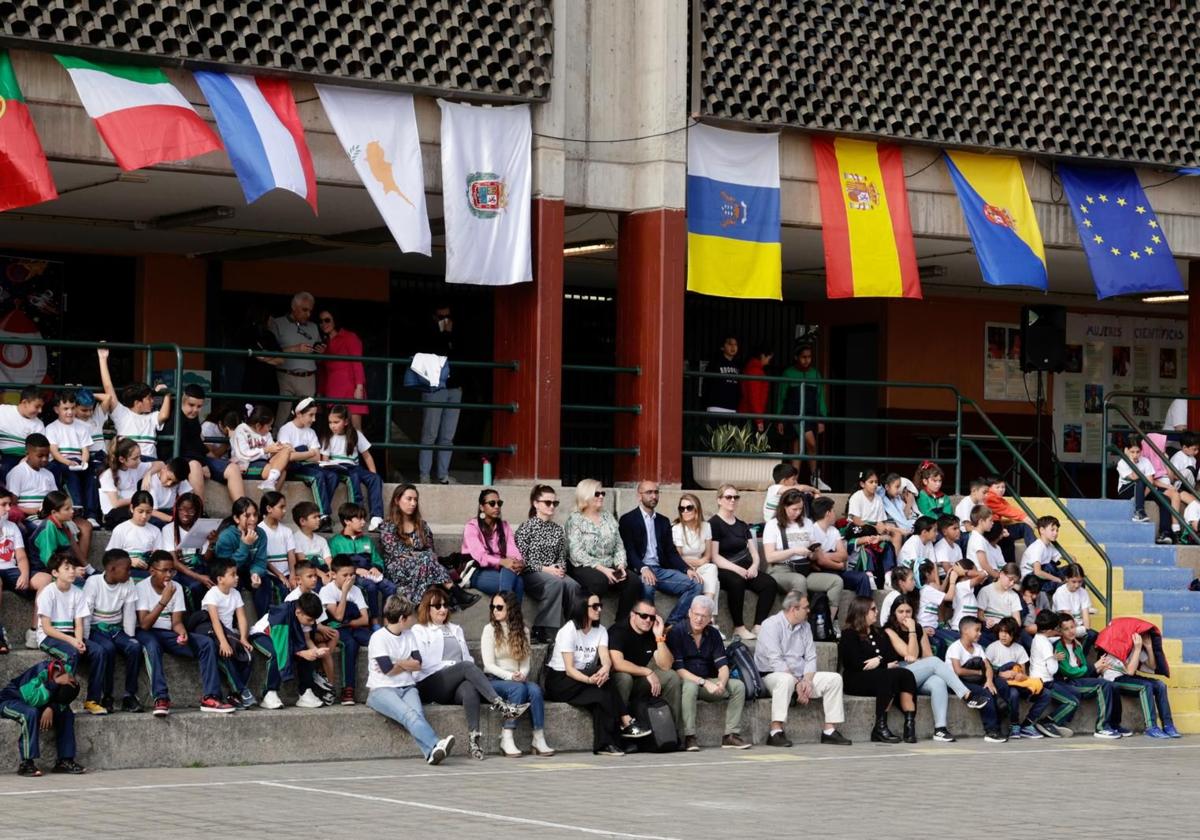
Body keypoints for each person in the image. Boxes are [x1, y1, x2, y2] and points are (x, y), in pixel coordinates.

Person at [411, 588, 530, 760]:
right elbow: (423, 663)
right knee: (465, 667)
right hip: (430, 682)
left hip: (454, 683)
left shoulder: (456, 629)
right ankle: (501, 706)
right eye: (437, 606)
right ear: (426, 608)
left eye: (446, 605)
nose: (443, 609)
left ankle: (474, 741)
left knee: (469, 687)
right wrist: (455, 666)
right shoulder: (419, 630)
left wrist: (466, 672)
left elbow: (466, 658)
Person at [544, 595, 650, 756]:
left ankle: (605, 745)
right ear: (582, 607)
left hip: (584, 678)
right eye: (594, 606)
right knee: (603, 683)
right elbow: (569, 670)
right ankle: (626, 721)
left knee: (602, 696)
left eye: (600, 605)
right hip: (561, 681)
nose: (599, 609)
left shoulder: (600, 631)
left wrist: (605, 669)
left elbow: (606, 659)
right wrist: (590, 680)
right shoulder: (568, 630)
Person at [135, 550, 233, 715]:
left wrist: (182, 633)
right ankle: (161, 697)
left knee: (206, 643)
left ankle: (211, 697)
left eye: (171, 570)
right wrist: (164, 600)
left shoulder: (177, 587)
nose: (169, 574)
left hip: (169, 633)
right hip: (148, 632)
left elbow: (177, 622)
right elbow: (144, 624)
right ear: (152, 571)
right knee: (152, 646)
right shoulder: (141, 587)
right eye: (164, 570)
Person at [883, 598, 994, 742]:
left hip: (918, 672)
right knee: (935, 662)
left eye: (908, 611)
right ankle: (967, 695)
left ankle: (940, 729)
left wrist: (916, 631)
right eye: (901, 612)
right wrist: (912, 631)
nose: (905, 615)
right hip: (899, 672)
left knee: (938, 681)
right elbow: (910, 654)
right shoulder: (889, 630)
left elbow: (927, 656)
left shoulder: (919, 628)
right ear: (894, 613)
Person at [366, 594, 457, 766]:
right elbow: (387, 671)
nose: (414, 619)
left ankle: (431, 754)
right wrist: (404, 664)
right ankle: (436, 743)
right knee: (410, 716)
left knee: (417, 715)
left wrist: (397, 662)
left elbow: (418, 664)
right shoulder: (378, 638)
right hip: (381, 690)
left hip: (407, 686)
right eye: (411, 616)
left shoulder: (409, 635)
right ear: (402, 618)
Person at [754, 591, 850, 747]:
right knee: (785, 680)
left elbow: (811, 657)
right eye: (805, 607)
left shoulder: (805, 626)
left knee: (834, 679)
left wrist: (807, 680)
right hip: (772, 676)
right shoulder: (770, 625)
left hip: (800, 677)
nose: (809, 610)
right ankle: (775, 731)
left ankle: (829, 731)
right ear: (793, 609)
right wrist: (798, 683)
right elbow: (776, 661)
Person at [668, 595, 750, 750]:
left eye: (703, 616)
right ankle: (689, 736)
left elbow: (722, 666)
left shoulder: (713, 634)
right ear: (690, 613)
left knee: (738, 686)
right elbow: (679, 670)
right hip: (687, 682)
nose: (699, 619)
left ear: (710, 618)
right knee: (691, 686)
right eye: (696, 614)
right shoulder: (677, 632)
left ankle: (730, 735)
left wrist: (721, 683)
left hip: (708, 681)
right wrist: (704, 683)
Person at [480, 590, 554, 757]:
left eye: (499, 607)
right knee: (518, 690)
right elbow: (488, 665)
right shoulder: (489, 629)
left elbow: (525, 664)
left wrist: (521, 674)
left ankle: (538, 737)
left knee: (535, 690)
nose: (495, 611)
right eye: (493, 607)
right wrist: (510, 676)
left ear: (511, 609)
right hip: (495, 679)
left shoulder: (523, 631)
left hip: (516, 679)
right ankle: (506, 736)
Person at [618, 481, 702, 626]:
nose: (654, 496)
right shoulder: (628, 519)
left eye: (656, 492)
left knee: (696, 584)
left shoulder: (663, 521)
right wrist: (643, 568)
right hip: (639, 570)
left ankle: (670, 624)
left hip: (660, 570)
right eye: (649, 492)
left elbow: (671, 552)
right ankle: (648, 627)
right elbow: (629, 551)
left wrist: (686, 569)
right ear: (639, 495)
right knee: (648, 588)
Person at [837, 596, 918, 744]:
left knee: (906, 674)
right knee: (887, 676)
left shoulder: (878, 632)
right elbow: (855, 663)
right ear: (862, 612)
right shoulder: (849, 634)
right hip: (856, 678)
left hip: (876, 675)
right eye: (873, 609)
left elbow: (890, 656)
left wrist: (879, 660)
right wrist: (882, 663)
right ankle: (880, 728)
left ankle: (909, 724)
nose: (877, 611)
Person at [761, 488, 844, 624]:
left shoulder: (807, 523)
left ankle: (828, 622)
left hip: (804, 568)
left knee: (836, 581)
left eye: (800, 509)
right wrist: (794, 551)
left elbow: (813, 550)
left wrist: (813, 552)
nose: (798, 512)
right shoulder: (773, 525)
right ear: (784, 507)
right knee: (799, 581)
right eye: (794, 509)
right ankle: (803, 624)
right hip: (780, 570)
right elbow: (770, 557)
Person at [607, 598, 683, 742]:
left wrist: (659, 637)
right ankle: (618, 735)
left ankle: (672, 733)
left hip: (640, 683)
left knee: (671, 677)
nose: (648, 620)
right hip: (618, 684)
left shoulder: (652, 632)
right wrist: (647, 671)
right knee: (624, 677)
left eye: (652, 617)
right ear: (633, 615)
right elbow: (617, 664)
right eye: (643, 616)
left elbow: (666, 665)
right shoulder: (618, 630)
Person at [513, 483, 579, 643]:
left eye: (554, 503)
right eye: (547, 502)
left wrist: (560, 569)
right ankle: (543, 629)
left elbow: (562, 556)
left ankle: (573, 628)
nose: (552, 506)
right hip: (531, 573)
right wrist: (546, 569)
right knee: (555, 583)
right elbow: (521, 560)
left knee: (573, 585)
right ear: (536, 504)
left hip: (554, 573)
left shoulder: (557, 529)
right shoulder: (525, 528)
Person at [81, 548, 143, 715]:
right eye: (127, 569)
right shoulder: (93, 582)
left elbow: (129, 614)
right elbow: (86, 614)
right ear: (112, 569)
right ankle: (106, 695)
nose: (130, 572)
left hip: (116, 629)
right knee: (107, 649)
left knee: (135, 647)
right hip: (96, 629)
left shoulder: (128, 583)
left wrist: (130, 639)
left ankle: (129, 696)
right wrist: (84, 640)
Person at [709, 484, 776, 638]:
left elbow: (754, 552)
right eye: (728, 497)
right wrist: (737, 569)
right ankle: (738, 627)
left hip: (745, 566)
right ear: (719, 500)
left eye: (735, 497)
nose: (732, 500)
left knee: (769, 584)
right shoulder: (714, 523)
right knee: (737, 582)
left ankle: (759, 625)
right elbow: (715, 556)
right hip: (724, 567)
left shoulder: (742, 525)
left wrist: (754, 566)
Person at [379, 484, 461, 606]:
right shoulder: (388, 526)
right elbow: (397, 553)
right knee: (426, 559)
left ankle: (420, 604)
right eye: (409, 499)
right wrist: (420, 554)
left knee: (427, 560)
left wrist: (416, 554)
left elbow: (430, 551)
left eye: (415, 500)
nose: (413, 503)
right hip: (397, 569)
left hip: (424, 567)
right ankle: (455, 591)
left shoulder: (422, 526)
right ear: (397, 500)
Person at [0, 658, 83, 776]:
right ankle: (26, 763)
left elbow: (65, 698)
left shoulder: (67, 673)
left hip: (40, 701)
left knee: (66, 713)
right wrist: (55, 683)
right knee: (30, 713)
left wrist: (51, 708)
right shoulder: (39, 672)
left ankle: (64, 760)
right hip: (12, 700)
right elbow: (32, 699)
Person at [566, 481, 636, 619]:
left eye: (602, 493)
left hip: (609, 564)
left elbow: (619, 545)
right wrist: (603, 570)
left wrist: (620, 565)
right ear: (585, 496)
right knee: (599, 582)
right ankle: (588, 622)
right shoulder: (575, 519)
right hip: (584, 565)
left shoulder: (608, 516)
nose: (601, 496)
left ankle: (621, 623)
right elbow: (576, 553)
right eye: (596, 494)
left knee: (633, 582)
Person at [1096, 624, 1179, 738]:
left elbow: (1152, 666)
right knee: (1145, 686)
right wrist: (1138, 648)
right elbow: (1130, 671)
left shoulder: (1134, 647)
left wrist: (1149, 647)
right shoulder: (1113, 648)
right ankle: (1151, 727)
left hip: (1128, 678)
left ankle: (1168, 725)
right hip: (1114, 679)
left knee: (1160, 685)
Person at [247, 591, 328, 710]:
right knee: (275, 653)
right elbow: (280, 644)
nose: (312, 623)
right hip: (263, 635)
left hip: (286, 639)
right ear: (298, 612)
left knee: (309, 655)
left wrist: (315, 651)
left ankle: (305, 693)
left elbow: (306, 639)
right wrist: (301, 653)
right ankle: (269, 693)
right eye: (310, 620)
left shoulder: (305, 615)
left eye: (313, 621)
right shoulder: (282, 614)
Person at [197, 558, 258, 710]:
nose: (237, 577)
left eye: (236, 574)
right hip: (212, 632)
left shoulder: (235, 594)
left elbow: (242, 617)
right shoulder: (212, 594)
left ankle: (234, 695)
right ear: (220, 579)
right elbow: (215, 621)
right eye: (232, 574)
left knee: (249, 655)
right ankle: (242, 691)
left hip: (230, 635)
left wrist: (243, 638)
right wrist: (223, 642)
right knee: (227, 655)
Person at [96, 348, 171, 463]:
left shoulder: (152, 417)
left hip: (149, 462)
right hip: (128, 461)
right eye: (149, 399)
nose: (153, 401)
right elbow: (108, 386)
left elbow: (164, 415)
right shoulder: (121, 413)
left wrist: (167, 394)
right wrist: (102, 359)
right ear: (137, 402)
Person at [1053, 614, 1121, 739]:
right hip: (1068, 683)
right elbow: (1069, 672)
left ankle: (1114, 724)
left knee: (1113, 685)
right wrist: (1094, 667)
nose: (1070, 631)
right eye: (1066, 629)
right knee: (1103, 685)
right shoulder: (1058, 647)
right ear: (1060, 631)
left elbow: (1084, 667)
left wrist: (1098, 669)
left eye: (1072, 627)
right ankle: (1101, 728)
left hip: (1080, 681)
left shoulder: (1077, 645)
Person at [942, 616, 1008, 743]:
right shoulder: (955, 647)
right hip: (958, 682)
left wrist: (989, 680)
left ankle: (1003, 722)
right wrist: (978, 672)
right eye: (977, 630)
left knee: (1002, 685)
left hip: (976, 679)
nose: (980, 633)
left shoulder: (977, 647)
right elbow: (958, 671)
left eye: (980, 630)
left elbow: (988, 666)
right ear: (965, 630)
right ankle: (991, 731)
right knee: (985, 693)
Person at [0, 488, 50, 651]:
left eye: (9, 504)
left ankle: (35, 631)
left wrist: (24, 574)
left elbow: (21, 556)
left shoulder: (11, 527)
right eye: (4, 505)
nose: (9, 509)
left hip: (11, 570)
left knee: (46, 579)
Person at [417, 302, 462, 485]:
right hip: (434, 386)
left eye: (448, 317)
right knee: (430, 433)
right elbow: (431, 350)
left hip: (454, 387)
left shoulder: (456, 332)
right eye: (441, 317)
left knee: (447, 436)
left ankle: (443, 475)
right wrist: (442, 332)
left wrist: (450, 333)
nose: (445, 320)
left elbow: (460, 353)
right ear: (434, 318)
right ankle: (425, 475)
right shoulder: (427, 332)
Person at [277, 398, 340, 526]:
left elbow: (317, 457)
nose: (314, 419)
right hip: (294, 468)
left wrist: (301, 453)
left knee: (333, 476)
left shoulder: (310, 431)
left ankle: (323, 513)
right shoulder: (286, 429)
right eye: (311, 415)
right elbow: (289, 457)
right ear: (299, 413)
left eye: (314, 415)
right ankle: (323, 515)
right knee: (318, 476)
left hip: (309, 466)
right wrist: (309, 452)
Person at [328, 501, 396, 621]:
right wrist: (355, 570)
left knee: (391, 587)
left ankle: (387, 620)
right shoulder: (335, 542)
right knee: (370, 587)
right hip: (351, 576)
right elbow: (334, 565)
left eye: (364, 519)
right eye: (359, 519)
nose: (363, 522)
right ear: (347, 521)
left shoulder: (367, 540)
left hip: (370, 574)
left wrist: (376, 568)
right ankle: (374, 620)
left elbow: (378, 560)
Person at [774, 343, 829, 490]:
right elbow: (781, 397)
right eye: (804, 357)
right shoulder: (788, 373)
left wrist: (822, 418)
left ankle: (809, 478)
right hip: (794, 414)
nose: (807, 360)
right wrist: (780, 418)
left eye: (809, 357)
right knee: (802, 446)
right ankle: (802, 479)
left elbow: (821, 397)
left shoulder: (815, 374)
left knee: (803, 445)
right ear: (796, 357)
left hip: (810, 415)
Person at [984, 615, 1047, 739]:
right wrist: (1001, 674)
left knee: (1046, 694)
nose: (1003, 635)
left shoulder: (1019, 649)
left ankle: (1027, 724)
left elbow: (1023, 673)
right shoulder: (993, 647)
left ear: (1014, 635)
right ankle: (1014, 725)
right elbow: (987, 668)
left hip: (1018, 683)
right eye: (1001, 631)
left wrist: (1019, 676)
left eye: (1007, 633)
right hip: (1003, 684)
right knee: (1013, 694)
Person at [322, 404, 384, 530]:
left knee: (375, 479)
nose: (332, 425)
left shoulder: (356, 434)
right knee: (354, 478)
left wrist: (373, 473)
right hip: (337, 468)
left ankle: (376, 518)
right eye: (330, 422)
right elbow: (325, 460)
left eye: (336, 422)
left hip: (355, 467)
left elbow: (367, 456)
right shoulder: (328, 437)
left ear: (345, 422)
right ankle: (358, 515)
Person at [321, 555, 373, 705]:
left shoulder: (356, 590)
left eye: (352, 575)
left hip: (352, 626)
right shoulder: (327, 591)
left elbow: (365, 619)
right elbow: (337, 616)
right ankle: (347, 689)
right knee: (350, 644)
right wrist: (344, 593)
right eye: (345, 575)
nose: (349, 578)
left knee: (375, 640)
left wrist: (349, 623)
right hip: (337, 629)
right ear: (334, 575)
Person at [44, 391, 99, 527]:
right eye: (65, 409)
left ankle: (91, 514)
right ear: (57, 410)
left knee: (92, 475)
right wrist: (67, 462)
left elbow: (85, 450)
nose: (70, 412)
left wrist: (85, 462)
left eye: (72, 408)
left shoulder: (83, 427)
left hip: (78, 460)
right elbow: (54, 451)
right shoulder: (52, 427)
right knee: (70, 472)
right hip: (61, 461)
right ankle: (76, 507)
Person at [269, 291, 321, 431]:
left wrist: (320, 350)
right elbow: (270, 351)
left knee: (308, 415)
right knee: (282, 416)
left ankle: (305, 448)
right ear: (294, 307)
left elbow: (318, 350)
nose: (308, 314)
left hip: (308, 377)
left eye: (310, 310)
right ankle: (276, 447)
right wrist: (295, 349)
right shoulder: (277, 323)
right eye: (305, 310)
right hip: (285, 375)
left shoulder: (314, 327)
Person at [463, 488, 526, 603]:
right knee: (516, 582)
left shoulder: (504, 526)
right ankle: (510, 619)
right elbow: (480, 556)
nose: (497, 506)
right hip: (477, 571)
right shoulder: (472, 527)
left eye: (499, 503)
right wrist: (502, 561)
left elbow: (512, 549)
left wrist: (518, 562)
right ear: (482, 507)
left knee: (516, 578)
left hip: (500, 570)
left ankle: (508, 619)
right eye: (492, 503)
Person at [213, 496, 272, 618]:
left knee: (264, 582)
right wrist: (245, 545)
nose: (253, 519)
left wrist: (256, 573)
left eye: (255, 515)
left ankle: (265, 622)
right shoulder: (226, 537)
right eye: (247, 516)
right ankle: (232, 624)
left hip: (249, 570)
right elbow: (226, 567)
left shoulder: (261, 534)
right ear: (236, 518)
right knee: (233, 583)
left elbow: (260, 561)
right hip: (231, 571)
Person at [1026, 610, 1079, 738]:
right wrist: (1055, 658)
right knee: (1072, 702)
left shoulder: (1038, 638)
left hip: (1039, 680)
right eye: (1055, 628)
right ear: (1049, 630)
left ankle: (1047, 723)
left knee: (1074, 692)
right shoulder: (1046, 645)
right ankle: (1047, 722)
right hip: (1045, 683)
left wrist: (1071, 639)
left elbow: (1053, 639)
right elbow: (1053, 670)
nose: (1057, 630)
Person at [1116, 437, 1179, 544]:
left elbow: (1150, 481)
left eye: (1138, 452)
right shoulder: (1122, 463)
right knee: (1140, 480)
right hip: (1126, 490)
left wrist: (1142, 496)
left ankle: (1165, 533)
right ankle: (1139, 512)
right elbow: (1134, 477)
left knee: (1165, 500)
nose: (1135, 455)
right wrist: (1131, 461)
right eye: (1132, 452)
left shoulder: (1145, 461)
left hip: (1144, 490)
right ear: (1126, 450)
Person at [810, 495, 872, 599]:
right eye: (833, 511)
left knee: (863, 578)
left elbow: (843, 556)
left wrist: (823, 555)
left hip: (837, 572)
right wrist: (838, 565)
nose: (835, 514)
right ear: (828, 513)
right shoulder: (812, 530)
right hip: (822, 573)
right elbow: (820, 562)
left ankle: (863, 613)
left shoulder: (833, 531)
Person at [160, 493, 216, 608]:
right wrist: (199, 577)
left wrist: (211, 543)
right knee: (195, 587)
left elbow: (206, 558)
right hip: (180, 572)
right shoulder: (169, 530)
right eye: (182, 510)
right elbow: (174, 562)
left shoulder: (201, 528)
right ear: (176, 510)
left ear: (197, 512)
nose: (185, 514)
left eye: (191, 511)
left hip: (199, 568)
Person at [316, 309, 368, 431]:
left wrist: (359, 387)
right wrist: (319, 394)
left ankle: (360, 451)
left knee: (355, 431)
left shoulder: (349, 337)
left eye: (327, 320)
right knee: (336, 432)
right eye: (321, 321)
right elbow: (323, 372)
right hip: (332, 392)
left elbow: (357, 362)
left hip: (351, 390)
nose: (324, 323)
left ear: (335, 320)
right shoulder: (324, 343)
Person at [672, 493, 720, 624]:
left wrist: (700, 562)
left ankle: (707, 612)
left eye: (689, 507)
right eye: (682, 508)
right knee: (715, 583)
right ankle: (710, 619)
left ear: (697, 509)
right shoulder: (677, 529)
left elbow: (708, 555)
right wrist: (696, 563)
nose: (685, 511)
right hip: (683, 568)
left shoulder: (706, 526)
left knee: (712, 568)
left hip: (701, 566)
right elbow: (678, 557)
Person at [34, 551, 87, 667]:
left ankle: (96, 686)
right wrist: (71, 640)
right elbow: (47, 628)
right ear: (55, 572)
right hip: (48, 637)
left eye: (73, 568)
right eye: (67, 568)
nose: (72, 571)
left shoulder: (78, 593)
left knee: (100, 651)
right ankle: (68, 684)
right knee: (72, 654)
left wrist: (78, 640)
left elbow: (78, 625)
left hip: (70, 634)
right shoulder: (47, 593)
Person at [230, 406, 292, 493]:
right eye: (269, 426)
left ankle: (270, 484)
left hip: (264, 463)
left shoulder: (267, 434)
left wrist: (279, 448)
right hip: (246, 466)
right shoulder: (241, 430)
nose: (270, 429)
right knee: (280, 473)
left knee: (285, 453)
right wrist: (265, 450)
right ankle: (270, 499)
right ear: (258, 425)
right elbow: (242, 455)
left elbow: (269, 453)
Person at [983, 476, 1037, 564]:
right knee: (1024, 527)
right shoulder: (990, 498)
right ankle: (1036, 554)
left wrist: (1023, 517)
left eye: (1003, 487)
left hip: (997, 528)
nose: (1001, 490)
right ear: (989, 488)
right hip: (991, 531)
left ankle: (1010, 567)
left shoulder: (998, 499)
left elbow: (1008, 508)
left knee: (1008, 540)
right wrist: (1024, 518)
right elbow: (1007, 510)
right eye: (997, 487)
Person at [106, 491, 160, 578]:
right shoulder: (121, 529)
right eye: (140, 511)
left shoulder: (155, 531)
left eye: (148, 512)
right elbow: (110, 556)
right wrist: (129, 561)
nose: (144, 516)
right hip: (126, 570)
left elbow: (158, 555)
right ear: (132, 508)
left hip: (148, 570)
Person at [7, 433, 61, 518]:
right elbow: (11, 505)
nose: (45, 459)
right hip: (29, 517)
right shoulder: (18, 472)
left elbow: (55, 500)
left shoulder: (49, 474)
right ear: (27, 453)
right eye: (40, 456)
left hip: (50, 515)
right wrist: (34, 511)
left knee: (83, 526)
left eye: (47, 455)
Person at [257, 491, 296, 606]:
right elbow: (263, 558)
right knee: (282, 589)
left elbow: (291, 555)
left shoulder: (287, 531)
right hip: (270, 574)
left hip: (287, 573)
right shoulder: (259, 530)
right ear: (269, 508)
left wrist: (292, 575)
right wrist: (280, 575)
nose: (284, 511)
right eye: (281, 507)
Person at [0, 385, 44, 483]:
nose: (40, 411)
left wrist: (27, 460)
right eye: (37, 406)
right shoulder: (3, 411)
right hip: (5, 455)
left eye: (41, 407)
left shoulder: (39, 425)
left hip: (26, 458)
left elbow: (38, 449)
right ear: (24, 403)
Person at [1051, 564, 1096, 652]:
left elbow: (1086, 619)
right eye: (1074, 581)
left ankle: (1082, 659)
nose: (1077, 585)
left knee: (1093, 635)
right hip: (1064, 627)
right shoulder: (1061, 592)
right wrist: (1076, 632)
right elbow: (1067, 619)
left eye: (1080, 582)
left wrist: (1085, 628)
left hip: (1078, 627)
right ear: (1067, 578)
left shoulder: (1083, 592)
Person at [977, 563, 1023, 646]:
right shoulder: (986, 591)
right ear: (1001, 574)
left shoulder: (1014, 595)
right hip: (991, 628)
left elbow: (1018, 621)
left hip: (1007, 628)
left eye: (1015, 582)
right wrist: (986, 620)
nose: (1012, 583)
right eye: (1010, 579)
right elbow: (980, 614)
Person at [141, 457, 192, 525]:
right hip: (155, 513)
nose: (169, 483)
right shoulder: (151, 483)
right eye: (169, 478)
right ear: (165, 468)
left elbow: (188, 497)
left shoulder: (179, 479)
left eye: (175, 483)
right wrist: (173, 520)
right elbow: (152, 511)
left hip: (171, 510)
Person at [737, 344, 774, 432]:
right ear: (762, 356)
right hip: (751, 415)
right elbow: (754, 397)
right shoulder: (755, 371)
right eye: (769, 357)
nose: (769, 361)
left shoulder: (752, 369)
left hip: (749, 413)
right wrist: (759, 420)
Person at [1021, 516, 1064, 588]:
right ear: (1042, 530)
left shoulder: (1049, 546)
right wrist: (1057, 579)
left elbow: (1065, 557)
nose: (1055, 533)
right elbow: (1037, 572)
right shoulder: (1037, 547)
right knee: (1050, 567)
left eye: (1057, 530)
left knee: (1067, 570)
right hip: (1029, 578)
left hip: (1040, 576)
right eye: (1052, 530)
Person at [704, 335, 740, 413]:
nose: (733, 347)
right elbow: (706, 385)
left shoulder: (737, 365)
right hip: (716, 407)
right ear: (722, 347)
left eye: (735, 344)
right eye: (730, 344)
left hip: (732, 407)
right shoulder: (714, 363)